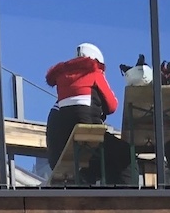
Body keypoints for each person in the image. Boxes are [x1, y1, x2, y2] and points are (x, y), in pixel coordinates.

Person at [42, 43, 131, 185]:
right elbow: (112, 106)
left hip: (66, 144)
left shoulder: (61, 82)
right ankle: (127, 195)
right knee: (125, 152)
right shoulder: (94, 73)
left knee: (100, 159)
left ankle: (89, 180)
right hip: (90, 132)